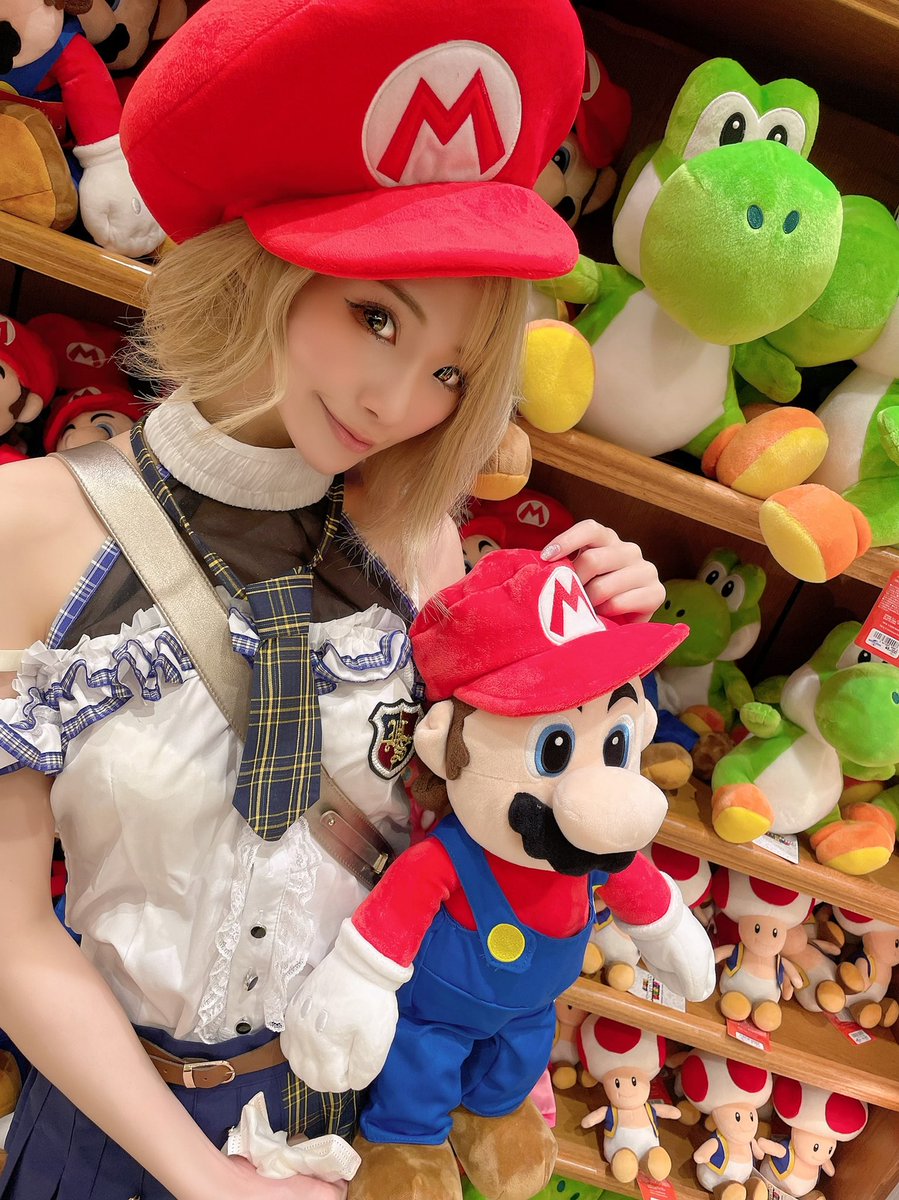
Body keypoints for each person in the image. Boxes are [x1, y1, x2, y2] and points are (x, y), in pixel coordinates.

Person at [0, 0, 666, 1198]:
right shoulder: (34, 528)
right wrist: (205, 1181)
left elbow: (475, 827)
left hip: (345, 1127)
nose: (394, 402)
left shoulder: (416, 544)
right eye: (374, 316)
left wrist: (588, 647)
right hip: (112, 1129)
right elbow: (7, 933)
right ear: (269, 268)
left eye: (449, 370)